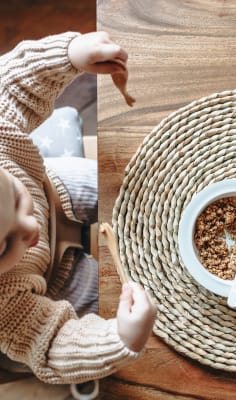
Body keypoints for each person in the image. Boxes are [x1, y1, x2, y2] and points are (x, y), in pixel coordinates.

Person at [0, 31, 157, 384]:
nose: (33, 231)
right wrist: (120, 338)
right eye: (3, 246)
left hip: (55, 189)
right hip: (50, 283)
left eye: (13, 197)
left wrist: (69, 55)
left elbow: (12, 85)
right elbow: (54, 342)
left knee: (118, 192)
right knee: (104, 301)